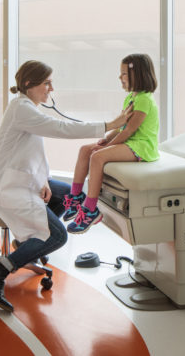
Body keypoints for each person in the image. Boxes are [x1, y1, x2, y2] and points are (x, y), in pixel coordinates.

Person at [0, 60, 132, 312]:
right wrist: (109, 125)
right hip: (7, 187)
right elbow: (61, 128)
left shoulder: (26, 108)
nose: (51, 88)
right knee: (58, 235)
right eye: (46, 82)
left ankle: (27, 247)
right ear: (29, 84)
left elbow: (31, 152)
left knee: (69, 195)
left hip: (21, 180)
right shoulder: (22, 109)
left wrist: (43, 180)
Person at [64, 53, 160, 234]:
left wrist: (106, 148)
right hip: (130, 142)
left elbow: (130, 131)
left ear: (136, 75)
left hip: (142, 146)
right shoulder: (131, 97)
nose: (120, 77)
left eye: (124, 74)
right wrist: (106, 139)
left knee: (98, 156)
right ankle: (75, 197)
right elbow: (121, 127)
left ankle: (90, 209)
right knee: (85, 149)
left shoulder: (145, 100)